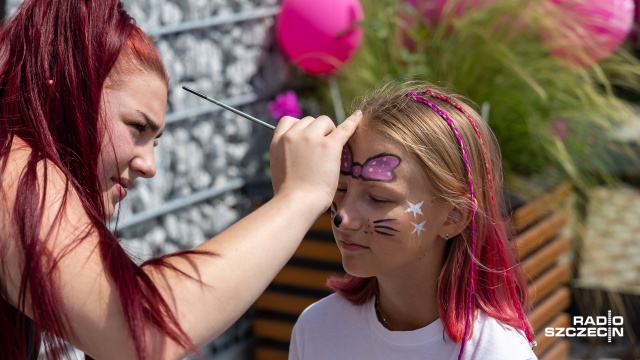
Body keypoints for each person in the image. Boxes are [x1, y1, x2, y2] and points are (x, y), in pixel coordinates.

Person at [0, 1, 361, 359]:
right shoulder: (12, 169)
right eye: (137, 127)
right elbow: (143, 331)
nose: (148, 165)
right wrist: (299, 195)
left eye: (154, 141)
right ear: (63, 84)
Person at [289, 80, 538, 360]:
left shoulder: (494, 352)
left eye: (378, 198)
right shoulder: (317, 328)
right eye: (341, 188)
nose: (343, 218)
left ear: (454, 216)